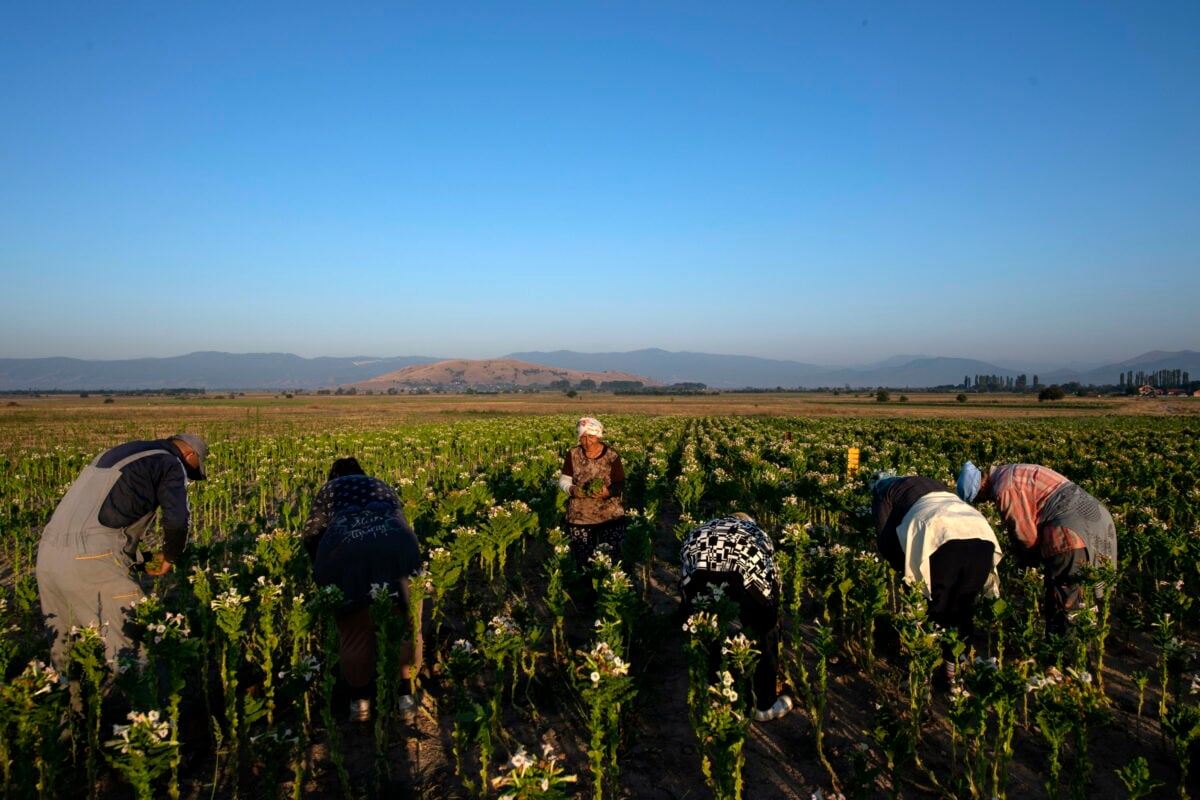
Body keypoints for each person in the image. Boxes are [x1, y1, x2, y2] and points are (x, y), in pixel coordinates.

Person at [36, 434, 209, 671]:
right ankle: (142, 706)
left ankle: (68, 705)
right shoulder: (170, 462)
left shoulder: (117, 452)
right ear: (190, 455)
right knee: (130, 649)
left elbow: (101, 518)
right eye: (192, 471)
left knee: (64, 651)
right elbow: (178, 520)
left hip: (47, 555)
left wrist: (138, 560)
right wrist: (170, 556)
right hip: (93, 561)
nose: (188, 476)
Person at [304, 457, 422, 722]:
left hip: (347, 552)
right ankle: (405, 698)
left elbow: (312, 535)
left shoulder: (329, 490)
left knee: (354, 634)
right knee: (403, 625)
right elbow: (399, 520)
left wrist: (324, 574)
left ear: (332, 475)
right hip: (397, 547)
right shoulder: (379, 485)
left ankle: (360, 703)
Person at [957, 462, 1117, 636]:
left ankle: (1062, 652)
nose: (988, 501)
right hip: (1093, 517)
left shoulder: (1004, 488)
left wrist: (1024, 560)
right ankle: (1079, 642)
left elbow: (1026, 535)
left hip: (1068, 530)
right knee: (1083, 586)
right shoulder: (1009, 471)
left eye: (982, 498)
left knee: (1063, 595)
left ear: (982, 487)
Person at [870, 472, 1002, 682]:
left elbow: (886, 541)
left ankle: (925, 671)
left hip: (939, 532)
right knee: (963, 606)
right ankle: (954, 670)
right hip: (980, 532)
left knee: (937, 608)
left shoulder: (883, 492)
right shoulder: (931, 483)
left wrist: (905, 574)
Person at [679, 514, 792, 722]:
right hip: (743, 570)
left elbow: (685, 584)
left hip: (700, 570)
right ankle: (764, 704)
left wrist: (688, 615)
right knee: (763, 628)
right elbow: (770, 580)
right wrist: (771, 615)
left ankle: (713, 689)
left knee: (707, 626)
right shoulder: (757, 533)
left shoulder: (700, 529)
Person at [557, 417, 626, 569]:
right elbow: (564, 480)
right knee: (583, 560)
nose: (587, 441)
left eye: (591, 437)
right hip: (580, 516)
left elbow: (620, 483)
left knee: (611, 559)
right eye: (583, 437)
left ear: (599, 436)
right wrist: (571, 489)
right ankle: (586, 589)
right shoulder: (573, 454)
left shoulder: (612, 455)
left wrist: (608, 492)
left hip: (609, 516)